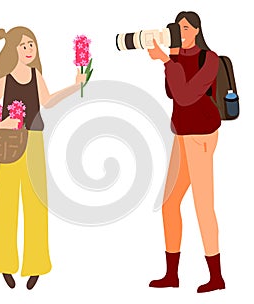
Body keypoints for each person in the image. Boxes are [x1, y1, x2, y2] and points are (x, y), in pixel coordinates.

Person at [0, 26, 86, 289]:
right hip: (9, 144)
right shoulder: (4, 80)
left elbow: (49, 102)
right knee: (4, 204)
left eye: (32, 45)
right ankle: (4, 263)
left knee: (36, 205)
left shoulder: (35, 76)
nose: (30, 50)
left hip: (35, 142)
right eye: (24, 45)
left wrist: (76, 87)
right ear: (12, 49)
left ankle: (36, 264)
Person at [147, 11, 225, 293]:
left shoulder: (210, 59)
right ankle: (172, 275)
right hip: (181, 134)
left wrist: (168, 61)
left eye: (185, 27)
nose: (181, 31)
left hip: (201, 135)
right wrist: (171, 58)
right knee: (169, 203)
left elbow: (186, 96)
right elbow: (172, 92)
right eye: (178, 27)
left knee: (203, 206)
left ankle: (216, 277)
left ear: (196, 30)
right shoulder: (177, 56)